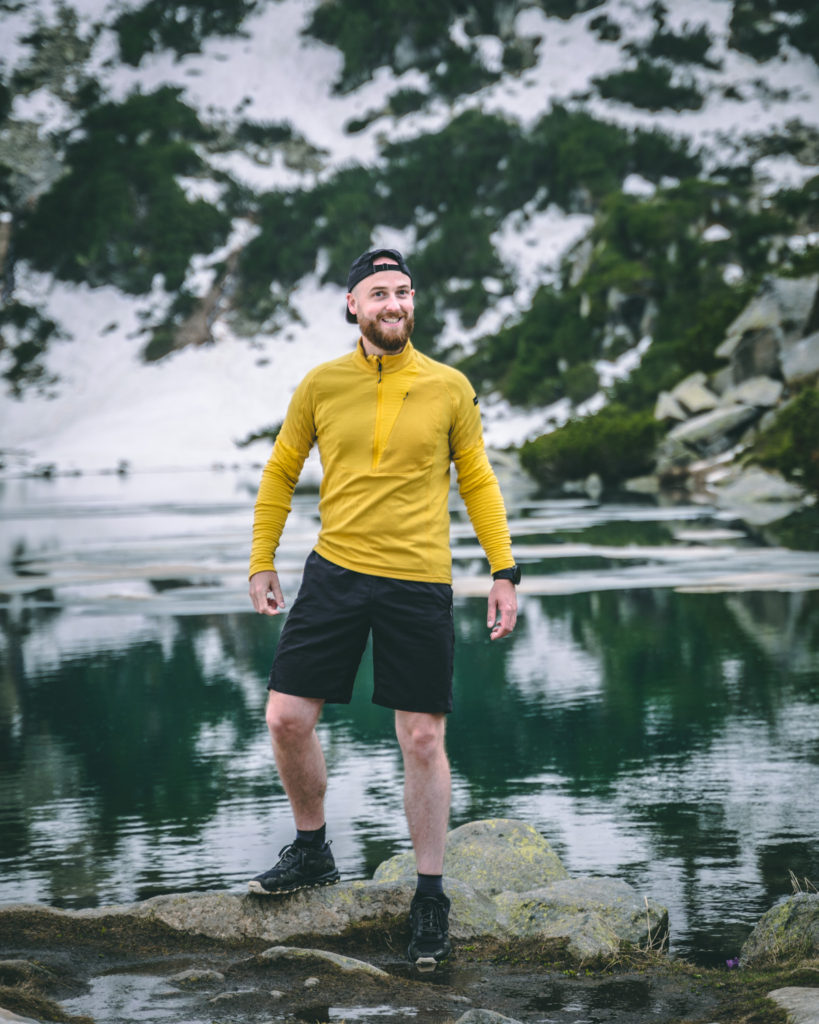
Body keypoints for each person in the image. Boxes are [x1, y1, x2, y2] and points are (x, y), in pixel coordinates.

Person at [247, 247, 520, 969]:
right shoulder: (320, 383)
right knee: (285, 717)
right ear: (352, 306)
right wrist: (262, 559)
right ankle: (312, 849)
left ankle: (429, 896)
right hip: (334, 572)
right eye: (378, 293)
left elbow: (479, 482)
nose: (394, 304)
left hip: (417, 580)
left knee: (422, 738)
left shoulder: (448, 386)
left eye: (402, 292)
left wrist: (503, 570)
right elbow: (280, 470)